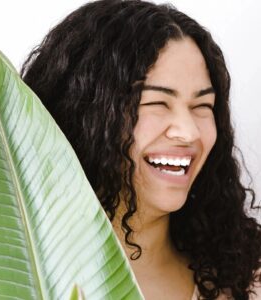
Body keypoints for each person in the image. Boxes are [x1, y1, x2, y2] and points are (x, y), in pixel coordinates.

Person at [20, 0, 261, 299]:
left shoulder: (248, 280)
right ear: (87, 116)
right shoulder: (17, 276)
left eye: (202, 106)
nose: (188, 132)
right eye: (157, 103)